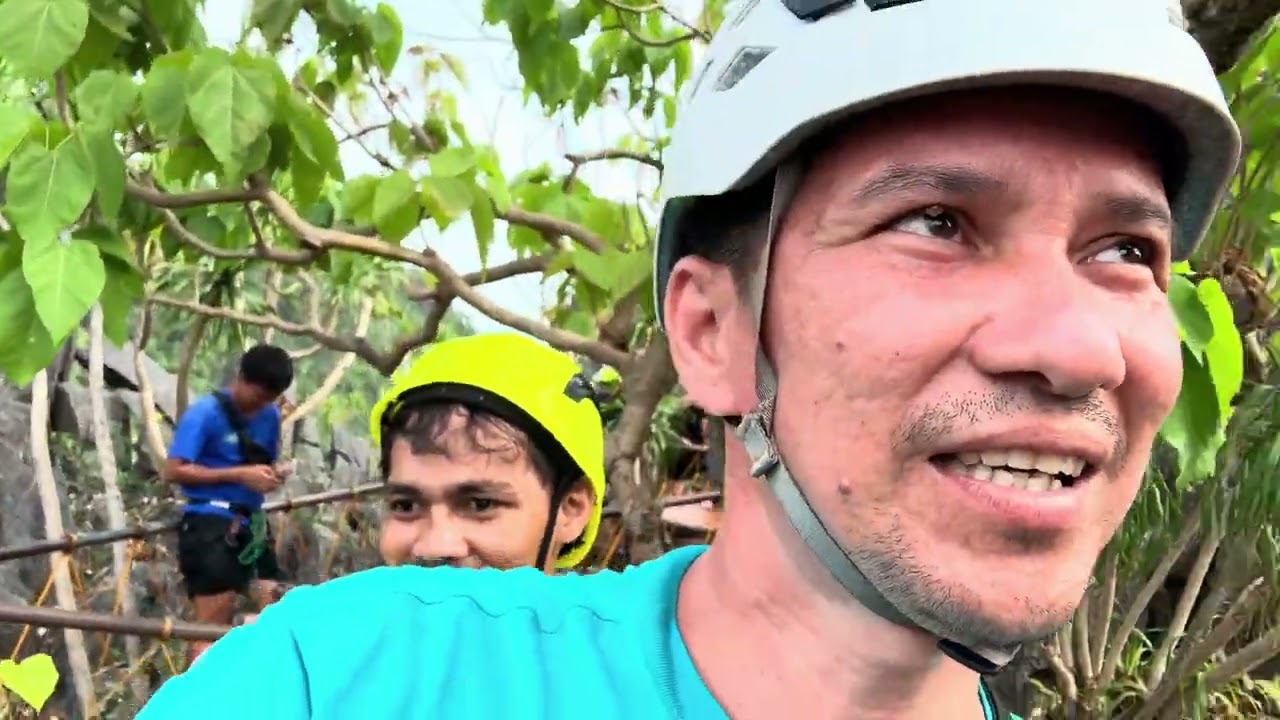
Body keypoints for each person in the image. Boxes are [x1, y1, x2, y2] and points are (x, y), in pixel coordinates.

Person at [137, 2, 1241, 718]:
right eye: (935, 223)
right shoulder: (351, 681)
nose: (1074, 346)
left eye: (1121, 251)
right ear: (710, 334)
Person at [162, 344, 294, 664]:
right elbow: (173, 470)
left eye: (268, 400)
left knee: (279, 609)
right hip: (210, 524)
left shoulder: (271, 416)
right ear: (241, 378)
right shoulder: (204, 414)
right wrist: (239, 475)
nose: (260, 406)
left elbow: (263, 460)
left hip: (253, 524)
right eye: (256, 396)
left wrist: (273, 475)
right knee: (209, 629)